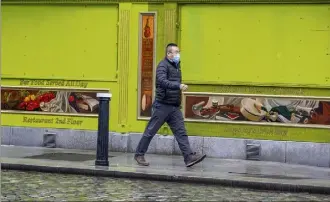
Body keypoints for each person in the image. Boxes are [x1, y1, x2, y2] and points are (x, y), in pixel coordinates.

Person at [134, 43, 206, 167]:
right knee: (150, 131)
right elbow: (162, 81)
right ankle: (139, 154)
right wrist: (178, 86)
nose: (178, 54)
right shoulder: (163, 65)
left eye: (178, 52)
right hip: (162, 106)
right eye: (176, 52)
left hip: (174, 107)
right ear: (169, 54)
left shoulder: (177, 66)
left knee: (181, 132)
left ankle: (188, 157)